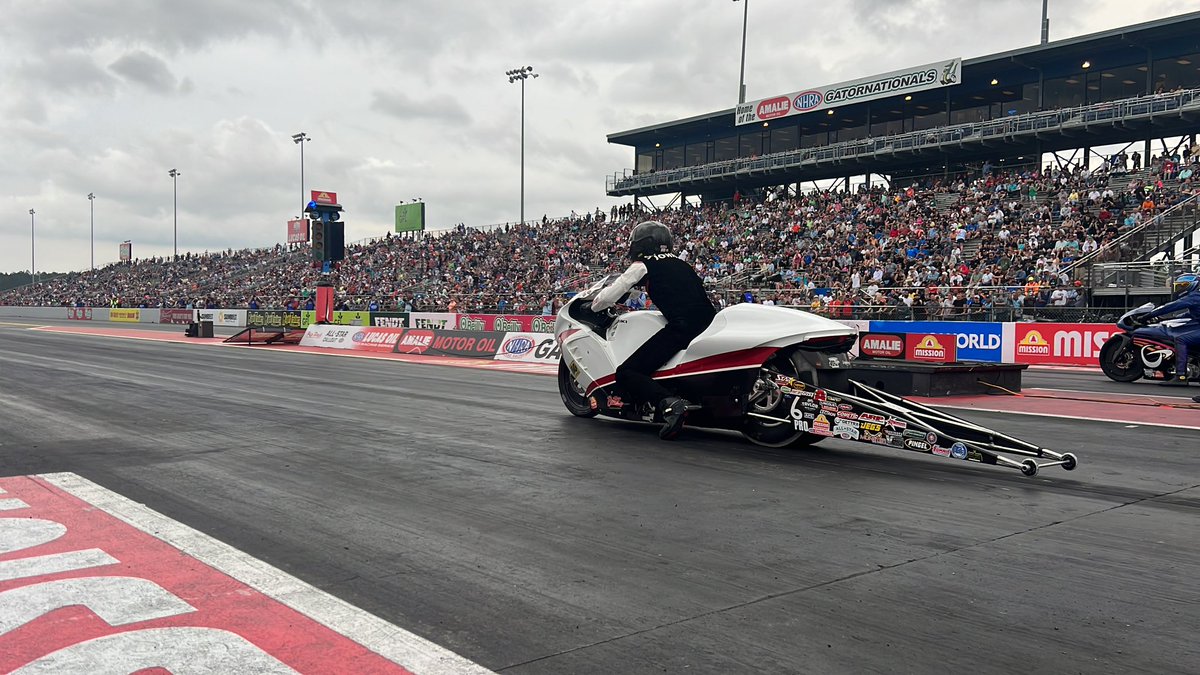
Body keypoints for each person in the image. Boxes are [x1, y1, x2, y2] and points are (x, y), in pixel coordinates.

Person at [591, 221, 716, 440]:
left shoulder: (643, 265)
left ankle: (669, 404)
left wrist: (596, 303)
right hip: (710, 323)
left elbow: (611, 294)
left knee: (628, 372)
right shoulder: (682, 263)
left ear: (642, 243)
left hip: (683, 326)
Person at [1140, 272, 1200, 387]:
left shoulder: (1194, 296)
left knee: (1181, 339)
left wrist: (1148, 316)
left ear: (1193, 285)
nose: (1179, 289)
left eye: (1183, 286)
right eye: (1178, 286)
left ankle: (1180, 376)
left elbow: (1170, 306)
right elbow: (1190, 315)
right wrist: (1168, 319)